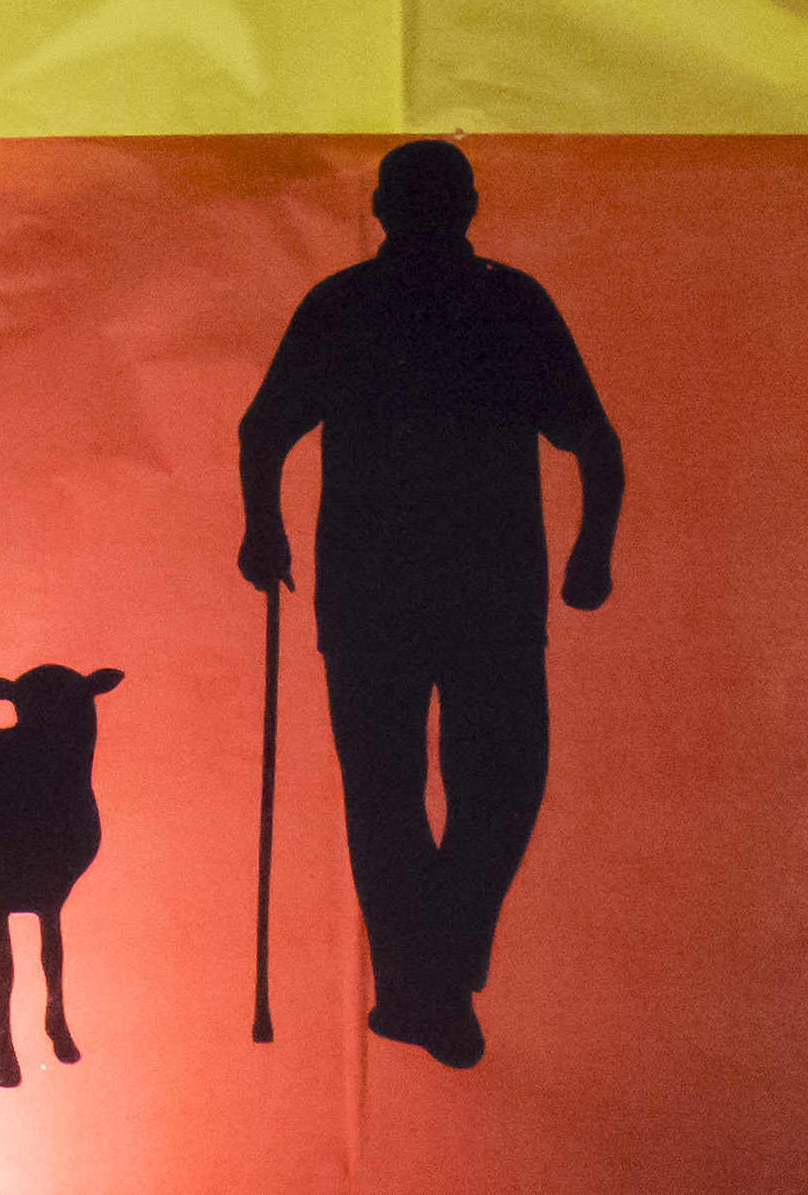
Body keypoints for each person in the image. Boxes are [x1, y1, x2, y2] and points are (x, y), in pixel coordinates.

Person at [232, 141, 623, 1071]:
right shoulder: (483, 303)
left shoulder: (404, 303)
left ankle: (425, 976)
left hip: (423, 592)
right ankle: (431, 979)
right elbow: (595, 445)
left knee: (441, 787)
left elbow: (263, 430)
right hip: (452, 591)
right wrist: (590, 551)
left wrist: (262, 527)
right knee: (439, 785)